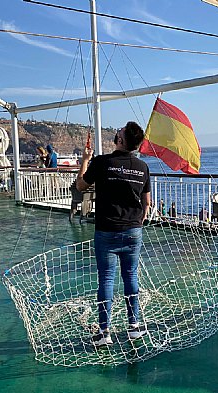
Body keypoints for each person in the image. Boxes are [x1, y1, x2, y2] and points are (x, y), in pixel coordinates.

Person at [76, 121, 151, 347]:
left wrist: (85, 161)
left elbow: (80, 185)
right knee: (131, 276)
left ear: (120, 140)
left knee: (107, 279)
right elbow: (147, 201)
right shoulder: (142, 167)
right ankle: (134, 326)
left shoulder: (102, 162)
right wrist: (140, 216)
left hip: (107, 230)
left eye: (119, 131)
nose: (116, 131)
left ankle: (104, 332)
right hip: (133, 230)